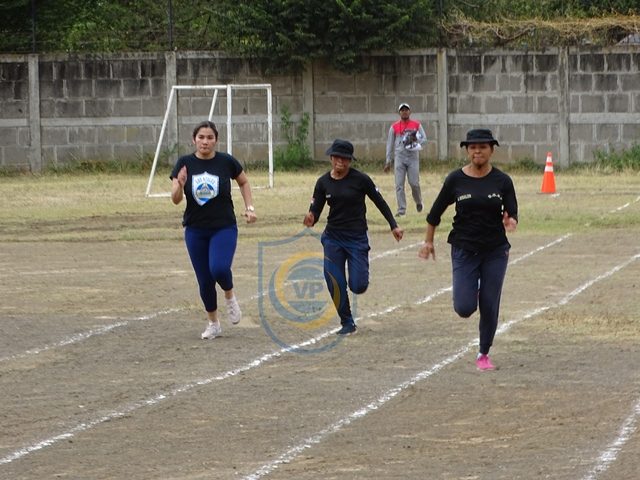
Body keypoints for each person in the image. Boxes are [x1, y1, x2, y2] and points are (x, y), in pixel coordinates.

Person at [418, 129, 518, 371]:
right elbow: (434, 213)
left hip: (495, 250)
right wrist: (428, 241)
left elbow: (512, 211)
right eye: (473, 147)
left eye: (483, 147)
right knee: (464, 307)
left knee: (490, 303)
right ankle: (471, 288)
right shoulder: (456, 180)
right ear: (467, 150)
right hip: (464, 248)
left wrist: (511, 220)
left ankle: (483, 353)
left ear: (491, 150)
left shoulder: (502, 181)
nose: (477, 151)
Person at [303, 139, 403, 335]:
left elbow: (379, 201)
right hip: (333, 238)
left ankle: (361, 274)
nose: (340, 161)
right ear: (331, 158)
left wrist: (394, 225)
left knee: (358, 285)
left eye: (345, 158)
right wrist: (311, 217)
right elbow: (315, 210)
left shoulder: (361, 180)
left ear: (350, 160)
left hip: (356, 238)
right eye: (337, 157)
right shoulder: (323, 182)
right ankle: (347, 322)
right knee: (334, 280)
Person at [170, 120, 257, 340]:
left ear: (216, 140)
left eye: (210, 137)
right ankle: (213, 323)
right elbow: (175, 200)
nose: (205, 142)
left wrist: (249, 207)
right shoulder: (184, 163)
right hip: (195, 230)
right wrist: (179, 184)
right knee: (205, 279)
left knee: (219, 268)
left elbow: (244, 182)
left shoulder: (226, 161)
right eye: (201, 137)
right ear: (194, 140)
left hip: (223, 227)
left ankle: (230, 296)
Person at [384, 102, 427, 217]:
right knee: (399, 185)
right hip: (400, 157)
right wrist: (388, 161)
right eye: (402, 110)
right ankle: (401, 210)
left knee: (414, 183)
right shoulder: (394, 127)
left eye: (406, 110)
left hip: (413, 157)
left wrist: (415, 140)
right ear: (399, 113)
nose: (404, 112)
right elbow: (389, 144)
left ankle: (418, 201)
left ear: (410, 112)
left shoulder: (416, 125)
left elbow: (424, 139)